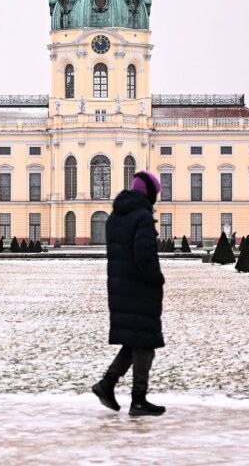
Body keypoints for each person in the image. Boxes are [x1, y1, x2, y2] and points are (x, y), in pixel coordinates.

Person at [91, 170, 166, 416]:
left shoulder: (116, 216)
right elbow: (144, 255)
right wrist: (157, 279)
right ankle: (138, 400)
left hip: (121, 287)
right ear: (149, 193)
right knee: (145, 342)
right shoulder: (142, 216)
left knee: (134, 340)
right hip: (139, 288)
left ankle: (107, 384)